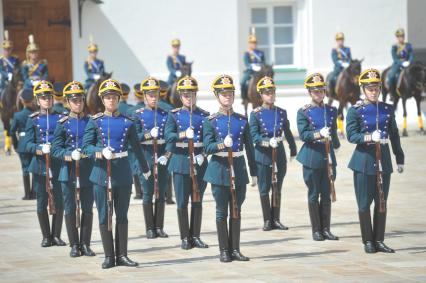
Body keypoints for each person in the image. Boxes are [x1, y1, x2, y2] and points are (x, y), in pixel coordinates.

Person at [82, 78, 150, 268]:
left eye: (114, 97)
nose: (111, 100)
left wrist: (145, 169)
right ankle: (109, 256)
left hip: (122, 172)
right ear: (102, 100)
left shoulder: (127, 121)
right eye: (107, 97)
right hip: (101, 173)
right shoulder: (95, 121)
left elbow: (136, 147)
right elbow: (86, 146)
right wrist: (100, 151)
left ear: (119, 99)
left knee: (122, 214)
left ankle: (122, 255)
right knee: (104, 215)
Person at [346, 68, 404, 253]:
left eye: (376, 88)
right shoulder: (355, 110)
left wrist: (399, 157)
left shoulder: (387, 109)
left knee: (381, 201)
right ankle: (368, 241)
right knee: (364, 202)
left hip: (384, 161)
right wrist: (370, 137)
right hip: (363, 161)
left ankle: (379, 240)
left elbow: (394, 135)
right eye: (370, 88)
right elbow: (351, 135)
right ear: (363, 89)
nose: (374, 91)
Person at [203, 74, 256, 262]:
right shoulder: (210, 121)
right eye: (223, 94)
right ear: (217, 96)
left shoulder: (242, 120)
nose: (227, 97)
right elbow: (207, 148)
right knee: (221, 211)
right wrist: (220, 145)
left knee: (236, 209)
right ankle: (224, 250)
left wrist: (254, 172)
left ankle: (235, 249)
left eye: (230, 94)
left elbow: (250, 147)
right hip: (219, 169)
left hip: (239, 169)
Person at [51, 81, 96, 258]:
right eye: (74, 101)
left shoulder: (91, 121)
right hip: (68, 172)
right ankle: (74, 245)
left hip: (87, 171)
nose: (78, 103)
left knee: (87, 208)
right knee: (70, 208)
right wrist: (69, 154)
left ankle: (85, 244)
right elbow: (56, 149)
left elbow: (95, 143)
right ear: (67, 102)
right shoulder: (62, 123)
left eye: (80, 100)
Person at [165, 76, 209, 250]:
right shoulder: (174, 115)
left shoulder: (204, 116)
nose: (188, 97)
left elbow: (209, 139)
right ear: (180, 96)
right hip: (181, 161)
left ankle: (196, 236)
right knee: (182, 201)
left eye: (191, 94)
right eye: (185, 95)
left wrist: (203, 154)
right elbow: (168, 136)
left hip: (199, 162)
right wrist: (183, 135)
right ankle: (185, 237)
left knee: (197, 200)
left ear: (195, 95)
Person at [296, 73, 340, 241]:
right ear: (310, 92)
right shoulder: (304, 112)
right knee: (314, 193)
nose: (319, 94)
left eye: (321, 91)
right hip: (312, 157)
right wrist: (318, 134)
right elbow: (304, 135)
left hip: (328, 157)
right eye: (315, 92)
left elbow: (334, 132)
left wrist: (336, 144)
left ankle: (326, 229)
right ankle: (316, 230)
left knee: (327, 192)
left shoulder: (331, 110)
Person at [249, 76, 297, 231]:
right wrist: (267, 142)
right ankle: (267, 220)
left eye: (272, 92)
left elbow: (288, 131)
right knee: (264, 188)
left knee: (277, 187)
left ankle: (276, 219)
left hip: (279, 154)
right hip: (263, 155)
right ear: (261, 95)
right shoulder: (255, 114)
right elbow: (254, 136)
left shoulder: (281, 113)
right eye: (266, 93)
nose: (270, 95)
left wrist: (293, 148)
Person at [22, 80, 66, 247]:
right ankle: (46, 236)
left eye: (49, 97)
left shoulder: (61, 118)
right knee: (41, 200)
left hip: (58, 164)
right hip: (40, 165)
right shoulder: (32, 119)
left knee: (59, 200)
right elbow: (26, 144)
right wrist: (40, 148)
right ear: (37, 100)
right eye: (43, 98)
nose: (46, 100)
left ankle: (56, 235)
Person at [133, 77, 170, 239]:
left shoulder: (165, 114)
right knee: (147, 192)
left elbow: (170, 137)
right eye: (150, 95)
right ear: (144, 96)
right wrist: (148, 134)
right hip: (146, 156)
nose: (153, 98)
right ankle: (149, 228)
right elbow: (134, 138)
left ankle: (159, 227)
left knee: (161, 192)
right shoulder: (138, 115)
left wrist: (167, 154)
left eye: (155, 95)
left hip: (161, 155)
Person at [10, 89, 34, 200]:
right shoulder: (35, 114)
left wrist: (15, 144)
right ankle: (34, 193)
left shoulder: (17, 115)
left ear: (22, 101)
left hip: (23, 144)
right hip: (33, 143)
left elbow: (12, 131)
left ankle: (27, 194)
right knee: (34, 168)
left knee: (25, 169)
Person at [126, 83, 145, 200]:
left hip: (134, 142)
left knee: (135, 166)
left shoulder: (131, 110)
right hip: (147, 143)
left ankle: (139, 192)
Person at [387, 28, 413, 96]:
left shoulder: (408, 45)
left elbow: (411, 55)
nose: (401, 38)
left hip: (407, 64)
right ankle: (391, 92)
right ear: (397, 37)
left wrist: (409, 62)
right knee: (391, 76)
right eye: (400, 36)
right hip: (397, 64)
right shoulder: (394, 46)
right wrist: (401, 63)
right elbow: (394, 58)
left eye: (402, 36)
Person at [240, 34, 265, 102]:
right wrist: (253, 66)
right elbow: (247, 63)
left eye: (255, 43)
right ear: (249, 44)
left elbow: (263, 62)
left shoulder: (260, 53)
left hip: (259, 71)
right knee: (242, 82)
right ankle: (244, 98)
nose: (254, 44)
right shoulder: (247, 53)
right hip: (250, 71)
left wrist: (260, 66)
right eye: (252, 43)